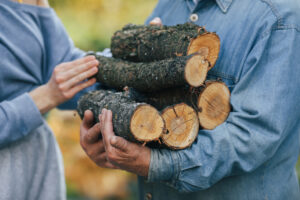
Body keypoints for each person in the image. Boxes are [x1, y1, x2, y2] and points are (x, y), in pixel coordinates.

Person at [80, 0, 300, 199]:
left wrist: (156, 164)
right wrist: (107, 138)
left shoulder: (280, 19)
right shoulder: (170, 5)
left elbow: (255, 135)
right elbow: (136, 87)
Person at [0, 0, 106, 199]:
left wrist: (130, 61)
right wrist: (45, 97)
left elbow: (62, 65)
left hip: (37, 162)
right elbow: (52, 88)